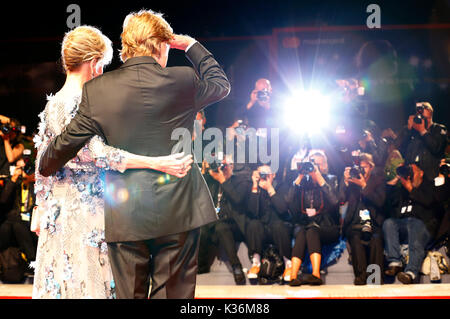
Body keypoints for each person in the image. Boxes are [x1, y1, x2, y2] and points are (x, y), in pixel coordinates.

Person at [38, 10, 230, 299]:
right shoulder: (183, 80)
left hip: (125, 215)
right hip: (178, 210)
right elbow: (220, 84)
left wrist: (48, 157)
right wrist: (190, 45)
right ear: (163, 44)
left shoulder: (98, 90)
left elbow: (52, 157)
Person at [286, 151, 340, 286]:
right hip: (307, 224)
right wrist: (299, 176)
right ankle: (293, 276)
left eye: (318, 164)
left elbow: (334, 202)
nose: (315, 168)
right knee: (303, 232)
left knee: (311, 231)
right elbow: (288, 200)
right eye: (312, 164)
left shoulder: (330, 179)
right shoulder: (303, 183)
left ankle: (316, 274)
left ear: (325, 166)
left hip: (328, 226)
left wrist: (319, 178)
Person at [383, 161, 440, 284]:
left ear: (421, 173)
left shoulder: (429, 186)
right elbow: (387, 202)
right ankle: (395, 262)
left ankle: (411, 273)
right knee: (389, 223)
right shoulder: (402, 191)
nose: (410, 174)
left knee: (414, 223)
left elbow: (429, 202)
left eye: (412, 171)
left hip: (424, 228)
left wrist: (410, 188)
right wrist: (397, 179)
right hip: (404, 228)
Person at [199, 156, 252, 285]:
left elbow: (237, 200)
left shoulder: (241, 181)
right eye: (220, 165)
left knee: (221, 227)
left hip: (234, 225)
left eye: (225, 166)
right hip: (214, 222)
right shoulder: (214, 181)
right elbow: (199, 189)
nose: (222, 169)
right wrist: (205, 172)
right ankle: (201, 266)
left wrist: (223, 180)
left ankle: (236, 266)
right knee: (201, 229)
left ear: (232, 166)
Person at [339, 153, 386, 285]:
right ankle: (361, 276)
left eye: (364, 167)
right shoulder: (352, 182)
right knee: (355, 237)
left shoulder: (378, 180)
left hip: (374, 222)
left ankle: (375, 277)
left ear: (371, 167)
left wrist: (364, 185)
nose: (361, 170)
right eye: (359, 167)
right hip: (354, 223)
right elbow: (340, 199)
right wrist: (345, 182)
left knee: (376, 239)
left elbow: (380, 201)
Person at [246, 164, 292, 281]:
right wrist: (255, 187)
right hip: (263, 229)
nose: (264, 176)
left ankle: (288, 264)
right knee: (253, 224)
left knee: (278, 225)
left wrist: (270, 189)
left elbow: (282, 209)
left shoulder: (282, 186)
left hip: (279, 227)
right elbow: (252, 212)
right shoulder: (256, 189)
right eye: (261, 173)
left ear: (274, 175)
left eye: (267, 173)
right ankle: (256, 263)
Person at [396, 102, 447, 182]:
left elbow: (436, 148)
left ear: (430, 111)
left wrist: (423, 131)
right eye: (418, 109)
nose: (420, 111)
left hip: (429, 177)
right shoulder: (413, 130)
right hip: (411, 176)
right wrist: (408, 130)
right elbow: (400, 148)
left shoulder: (439, 129)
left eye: (423, 108)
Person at [0, 159, 37, 268]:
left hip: (31, 221)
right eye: (21, 168)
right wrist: (14, 178)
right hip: (15, 220)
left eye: (26, 168)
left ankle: (32, 261)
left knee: (20, 226)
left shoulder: (37, 186)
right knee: (14, 225)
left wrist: (31, 180)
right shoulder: (14, 184)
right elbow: (3, 200)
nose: (24, 171)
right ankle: (31, 261)